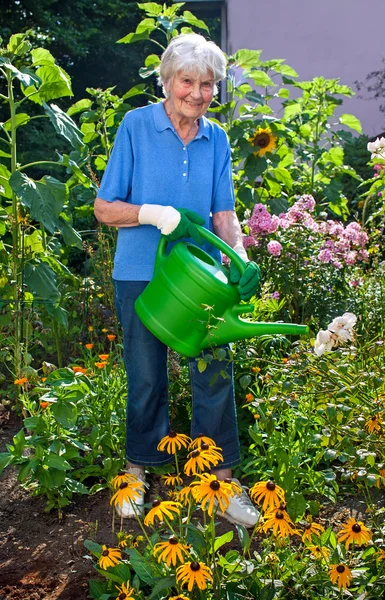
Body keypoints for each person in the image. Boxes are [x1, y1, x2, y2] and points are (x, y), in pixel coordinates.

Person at [94, 33, 260, 527]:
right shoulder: (136, 127)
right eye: (188, 81)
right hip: (141, 276)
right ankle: (138, 470)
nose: (197, 93)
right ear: (168, 81)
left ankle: (220, 482)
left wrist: (240, 256)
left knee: (214, 374)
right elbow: (105, 209)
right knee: (145, 378)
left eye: (207, 84)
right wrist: (151, 213)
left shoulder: (218, 138)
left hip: (201, 282)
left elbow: (223, 214)